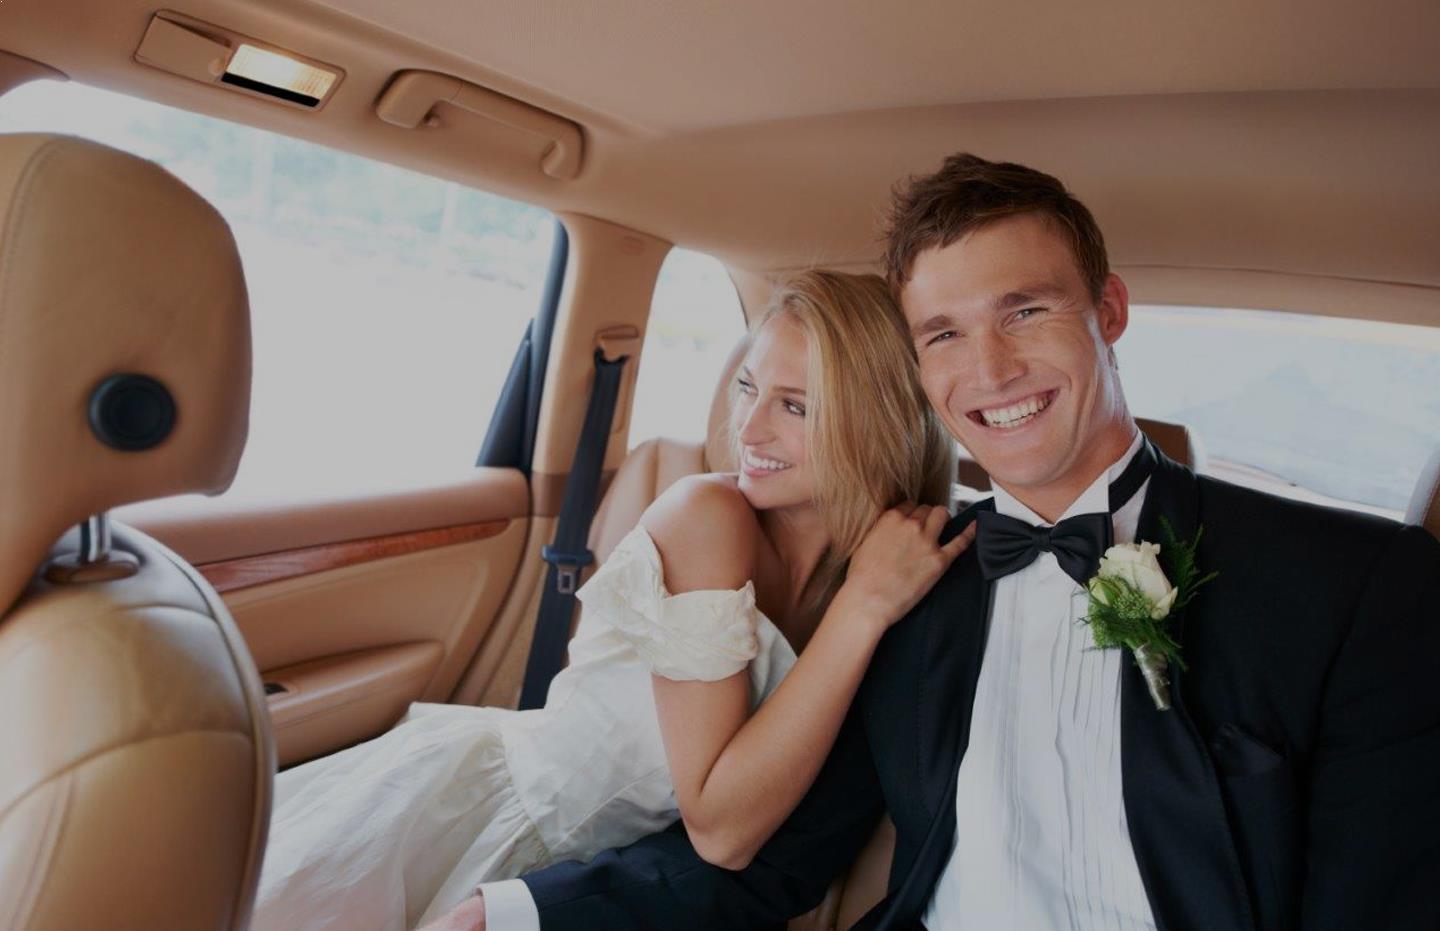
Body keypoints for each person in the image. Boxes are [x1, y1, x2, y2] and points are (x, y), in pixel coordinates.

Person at [444, 154, 1440, 931]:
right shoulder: (907, 581)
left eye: (1027, 310)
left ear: (1109, 311)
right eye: (944, 334)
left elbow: (1379, 898)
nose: (992, 368)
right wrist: (531, 910)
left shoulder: (1356, 586)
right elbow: (779, 856)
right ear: (918, 372)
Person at [251, 270, 967, 930]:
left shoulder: (877, 573)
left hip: (615, 882)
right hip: (487, 822)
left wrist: (864, 599)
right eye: (747, 387)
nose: (747, 428)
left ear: (878, 422)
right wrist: (862, 609)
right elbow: (720, 824)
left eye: (795, 405)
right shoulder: (710, 517)